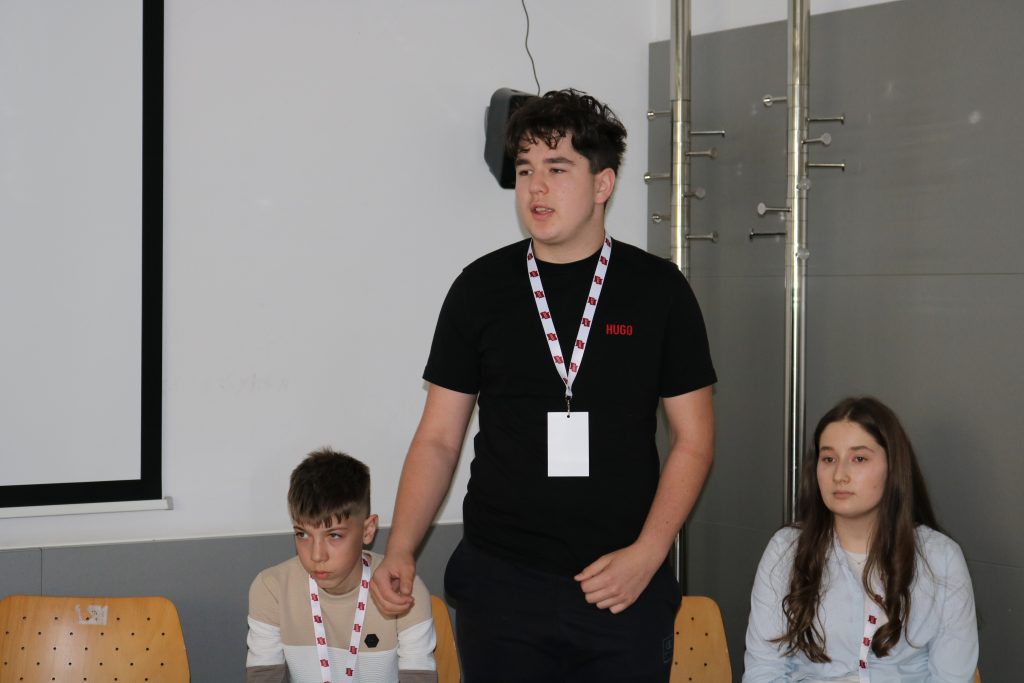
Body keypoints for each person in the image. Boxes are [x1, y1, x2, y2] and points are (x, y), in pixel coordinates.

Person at [370, 88, 717, 682]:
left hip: (621, 582)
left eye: (557, 169)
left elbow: (694, 440)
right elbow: (439, 439)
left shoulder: (658, 290)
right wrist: (401, 546)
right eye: (526, 169)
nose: (536, 188)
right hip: (502, 583)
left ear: (603, 184)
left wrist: (648, 553)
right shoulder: (480, 289)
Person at [743, 397, 978, 682]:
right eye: (828, 459)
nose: (839, 475)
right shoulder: (786, 549)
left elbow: (952, 677)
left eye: (859, 459)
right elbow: (764, 670)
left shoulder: (941, 558)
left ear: (893, 467)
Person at [246, 448, 437, 683]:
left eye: (334, 535)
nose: (317, 555)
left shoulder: (401, 588)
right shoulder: (271, 589)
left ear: (367, 530)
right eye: (302, 534)